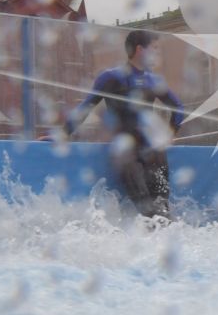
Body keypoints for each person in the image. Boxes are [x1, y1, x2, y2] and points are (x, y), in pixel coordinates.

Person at [53, 29, 186, 219]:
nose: (157, 53)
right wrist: (63, 134)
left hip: (150, 152)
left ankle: (164, 244)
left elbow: (178, 108)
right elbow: (87, 107)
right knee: (150, 209)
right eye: (154, 48)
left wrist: (171, 133)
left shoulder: (147, 79)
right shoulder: (113, 78)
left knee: (160, 207)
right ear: (140, 50)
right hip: (132, 152)